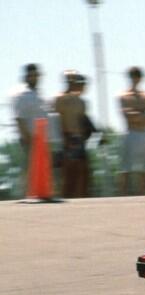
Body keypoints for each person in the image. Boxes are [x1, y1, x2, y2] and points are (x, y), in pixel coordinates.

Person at [118, 66, 145, 195]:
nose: (136, 79)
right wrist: (144, 114)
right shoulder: (124, 96)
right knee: (126, 168)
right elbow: (128, 115)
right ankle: (123, 194)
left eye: (138, 76)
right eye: (133, 76)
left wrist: (139, 115)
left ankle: (143, 194)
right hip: (131, 133)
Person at [12, 63, 47, 196]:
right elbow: (19, 119)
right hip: (29, 138)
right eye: (31, 75)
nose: (34, 78)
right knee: (29, 169)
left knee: (41, 170)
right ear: (26, 77)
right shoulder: (22, 96)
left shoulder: (39, 95)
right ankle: (27, 195)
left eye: (36, 75)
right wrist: (27, 138)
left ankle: (40, 193)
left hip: (42, 138)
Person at [54, 71, 88, 197]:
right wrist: (64, 139)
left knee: (82, 175)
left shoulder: (81, 101)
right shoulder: (60, 99)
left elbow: (83, 121)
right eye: (69, 79)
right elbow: (57, 121)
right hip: (66, 139)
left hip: (79, 139)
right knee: (67, 175)